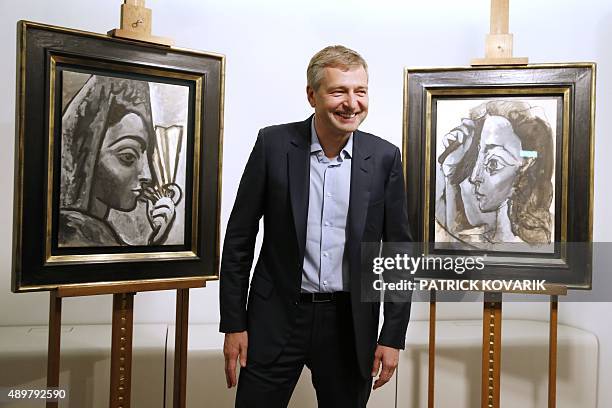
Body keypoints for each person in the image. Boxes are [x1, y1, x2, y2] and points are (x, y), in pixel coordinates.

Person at [220, 45, 413, 408]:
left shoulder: (385, 157)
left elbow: (399, 252)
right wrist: (233, 323)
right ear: (312, 95)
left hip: (349, 324)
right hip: (275, 318)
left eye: (361, 91)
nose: (352, 103)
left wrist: (392, 335)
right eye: (339, 91)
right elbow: (239, 240)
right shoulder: (273, 144)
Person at [59, 75, 176, 247]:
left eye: (146, 156)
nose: (148, 176)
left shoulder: (100, 235)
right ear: (87, 154)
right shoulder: (72, 233)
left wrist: (154, 240)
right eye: (128, 157)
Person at [436, 100, 554, 246]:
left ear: (525, 167)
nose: (474, 177)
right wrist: (450, 175)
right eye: (478, 157)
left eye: (493, 164)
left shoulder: (537, 248)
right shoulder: (476, 236)